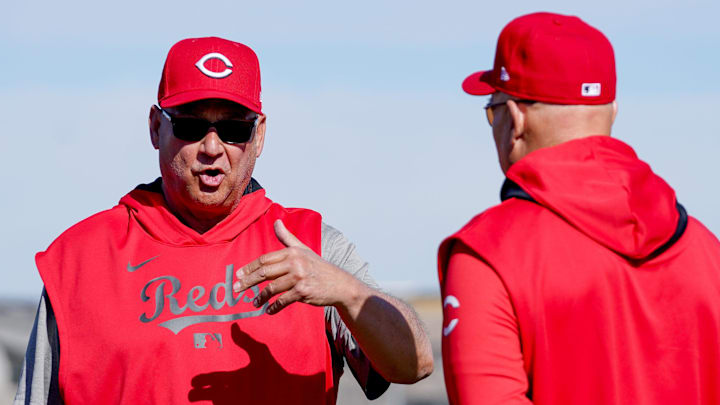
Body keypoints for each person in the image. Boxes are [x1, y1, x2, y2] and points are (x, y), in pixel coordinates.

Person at [15, 36, 433, 404]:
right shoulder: (79, 258)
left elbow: (414, 365)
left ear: (260, 135)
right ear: (155, 127)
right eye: (191, 125)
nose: (212, 147)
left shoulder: (311, 248)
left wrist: (348, 293)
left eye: (234, 128)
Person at [438, 12, 720, 405]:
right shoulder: (707, 251)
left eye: (492, 111)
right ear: (612, 111)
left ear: (515, 119)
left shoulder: (487, 254)